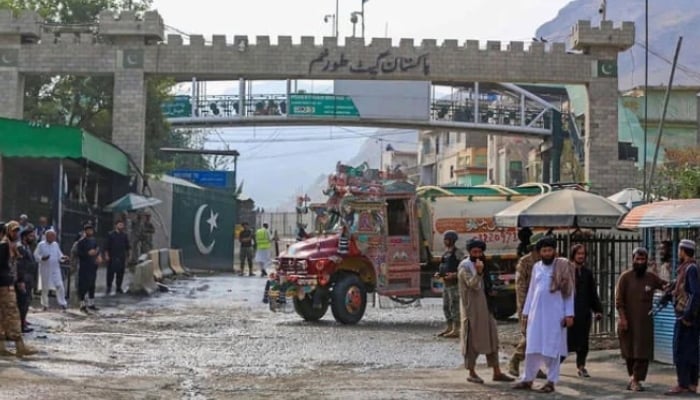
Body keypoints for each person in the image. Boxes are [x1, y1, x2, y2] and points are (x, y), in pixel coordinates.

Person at [513, 236, 575, 394]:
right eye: (544, 251)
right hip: (536, 314)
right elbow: (532, 291)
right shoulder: (537, 267)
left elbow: (569, 292)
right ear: (539, 253)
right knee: (531, 348)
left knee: (552, 348)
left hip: (555, 315)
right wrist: (526, 313)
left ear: (554, 251)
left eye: (550, 250)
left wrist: (569, 314)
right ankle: (527, 379)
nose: (547, 253)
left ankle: (551, 381)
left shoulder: (562, 266)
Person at [459, 238, 514, 384]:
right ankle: (471, 371)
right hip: (472, 310)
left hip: (486, 307)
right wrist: (478, 272)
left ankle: (497, 371)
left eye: (480, 251)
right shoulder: (464, 267)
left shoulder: (484, 265)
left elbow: (486, 284)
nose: (477, 254)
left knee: (492, 338)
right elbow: (472, 285)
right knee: (472, 341)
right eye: (474, 252)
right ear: (469, 252)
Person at [615, 247, 667, 392]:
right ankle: (633, 378)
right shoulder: (625, 278)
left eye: (642, 259)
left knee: (642, 353)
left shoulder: (651, 277)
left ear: (646, 261)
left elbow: (665, 286)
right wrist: (623, 319)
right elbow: (619, 301)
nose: (639, 262)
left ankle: (636, 380)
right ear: (633, 259)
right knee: (629, 352)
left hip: (644, 324)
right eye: (637, 259)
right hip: (628, 322)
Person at [666, 239, 699, 396]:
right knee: (692, 350)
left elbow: (694, 293)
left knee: (680, 350)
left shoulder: (690, 269)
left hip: (687, 318)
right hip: (691, 317)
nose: (678, 253)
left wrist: (687, 314)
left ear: (683, 251)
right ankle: (692, 384)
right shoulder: (688, 268)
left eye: (679, 250)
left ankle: (683, 384)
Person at [563, 244, 603, 378]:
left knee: (583, 342)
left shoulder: (587, 273)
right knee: (566, 341)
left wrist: (597, 310)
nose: (581, 256)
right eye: (578, 253)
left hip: (584, 312)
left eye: (583, 254)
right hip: (569, 313)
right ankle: (554, 365)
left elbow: (592, 293)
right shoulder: (566, 271)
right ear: (573, 255)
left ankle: (581, 366)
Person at [0, 221, 38, 357]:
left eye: (17, 231)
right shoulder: (4, 246)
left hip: (7, 284)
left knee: (3, 317)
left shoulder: (10, 246)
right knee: (13, 315)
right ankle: (19, 346)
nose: (15, 233)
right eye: (13, 231)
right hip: (4, 286)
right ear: (7, 231)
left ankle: (2, 347)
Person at [508, 232, 542, 377]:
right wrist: (524, 309)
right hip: (528, 304)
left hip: (543, 304)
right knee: (530, 335)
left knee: (540, 336)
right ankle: (516, 359)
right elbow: (520, 287)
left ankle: (535, 366)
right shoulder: (525, 262)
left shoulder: (548, 261)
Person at [435, 230, 464, 338]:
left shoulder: (458, 253)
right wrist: (439, 274)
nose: (445, 241)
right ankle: (449, 327)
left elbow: (464, 268)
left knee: (455, 306)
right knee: (446, 306)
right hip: (446, 284)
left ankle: (457, 329)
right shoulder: (446, 253)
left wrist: (455, 275)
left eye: (447, 239)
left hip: (454, 284)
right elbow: (442, 266)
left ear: (452, 240)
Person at [34, 229, 68, 311]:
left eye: (54, 236)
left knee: (60, 286)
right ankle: (45, 305)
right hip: (45, 269)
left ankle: (63, 304)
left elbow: (60, 255)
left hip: (55, 269)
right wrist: (42, 258)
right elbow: (35, 255)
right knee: (45, 288)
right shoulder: (41, 244)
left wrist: (64, 258)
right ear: (46, 236)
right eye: (51, 236)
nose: (53, 238)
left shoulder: (55, 244)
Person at [16, 228, 38, 333]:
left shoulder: (27, 247)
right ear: (24, 237)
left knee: (27, 301)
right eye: (31, 236)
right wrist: (21, 281)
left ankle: (23, 321)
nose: (33, 238)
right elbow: (20, 265)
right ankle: (21, 324)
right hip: (24, 279)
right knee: (22, 302)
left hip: (29, 278)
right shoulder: (20, 248)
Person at [76, 223, 100, 313]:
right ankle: (82, 304)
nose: (90, 231)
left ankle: (91, 303)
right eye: (88, 230)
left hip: (93, 265)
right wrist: (87, 253)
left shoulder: (93, 240)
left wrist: (97, 255)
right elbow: (79, 253)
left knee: (92, 285)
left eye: (91, 230)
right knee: (83, 285)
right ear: (85, 231)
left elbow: (97, 249)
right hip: (84, 266)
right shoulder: (81, 242)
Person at [104, 221, 131, 295]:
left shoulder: (124, 235)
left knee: (120, 273)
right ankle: (109, 286)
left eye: (122, 225)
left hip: (121, 257)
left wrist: (128, 257)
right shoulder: (111, 234)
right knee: (110, 273)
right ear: (116, 225)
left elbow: (127, 247)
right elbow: (106, 246)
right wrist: (106, 255)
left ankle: (118, 287)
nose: (121, 226)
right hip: (112, 256)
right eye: (120, 225)